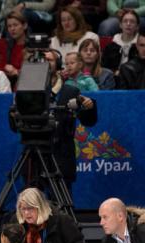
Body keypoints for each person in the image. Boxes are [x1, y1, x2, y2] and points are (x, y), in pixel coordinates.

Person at [28, 49, 97, 191]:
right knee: (32, 200)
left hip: (62, 156)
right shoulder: (28, 92)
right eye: (41, 59)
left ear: (58, 64)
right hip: (34, 156)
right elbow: (15, 125)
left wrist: (89, 107)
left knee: (61, 201)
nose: (44, 63)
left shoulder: (70, 91)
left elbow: (88, 121)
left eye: (49, 60)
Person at [16, 187, 86, 243]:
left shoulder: (61, 220)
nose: (26, 213)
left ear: (40, 207)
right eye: (23, 209)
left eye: (30, 208)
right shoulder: (19, 224)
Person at [101, 8, 139, 74]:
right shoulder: (111, 47)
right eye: (125, 21)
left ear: (137, 26)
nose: (128, 24)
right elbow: (104, 69)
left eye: (132, 21)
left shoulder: (141, 46)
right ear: (120, 25)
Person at [3, 11, 28, 86]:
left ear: (24, 26)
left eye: (15, 25)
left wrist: (16, 72)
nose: (12, 29)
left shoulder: (32, 46)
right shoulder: (6, 45)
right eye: (9, 26)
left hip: (25, 86)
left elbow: (35, 75)